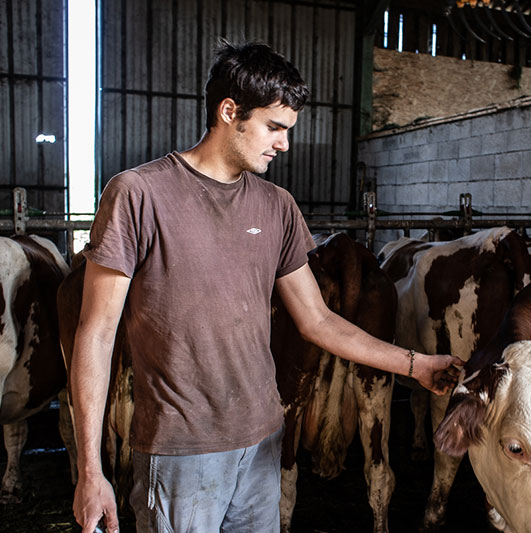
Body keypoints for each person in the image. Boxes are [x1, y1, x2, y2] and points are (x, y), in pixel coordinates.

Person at [70, 40, 463, 533]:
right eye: (274, 128)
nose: (284, 144)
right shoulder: (138, 194)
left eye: (288, 131)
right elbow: (96, 333)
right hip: (179, 453)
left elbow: (318, 320)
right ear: (229, 111)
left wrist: (417, 364)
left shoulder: (277, 206)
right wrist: (91, 469)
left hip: (262, 443)